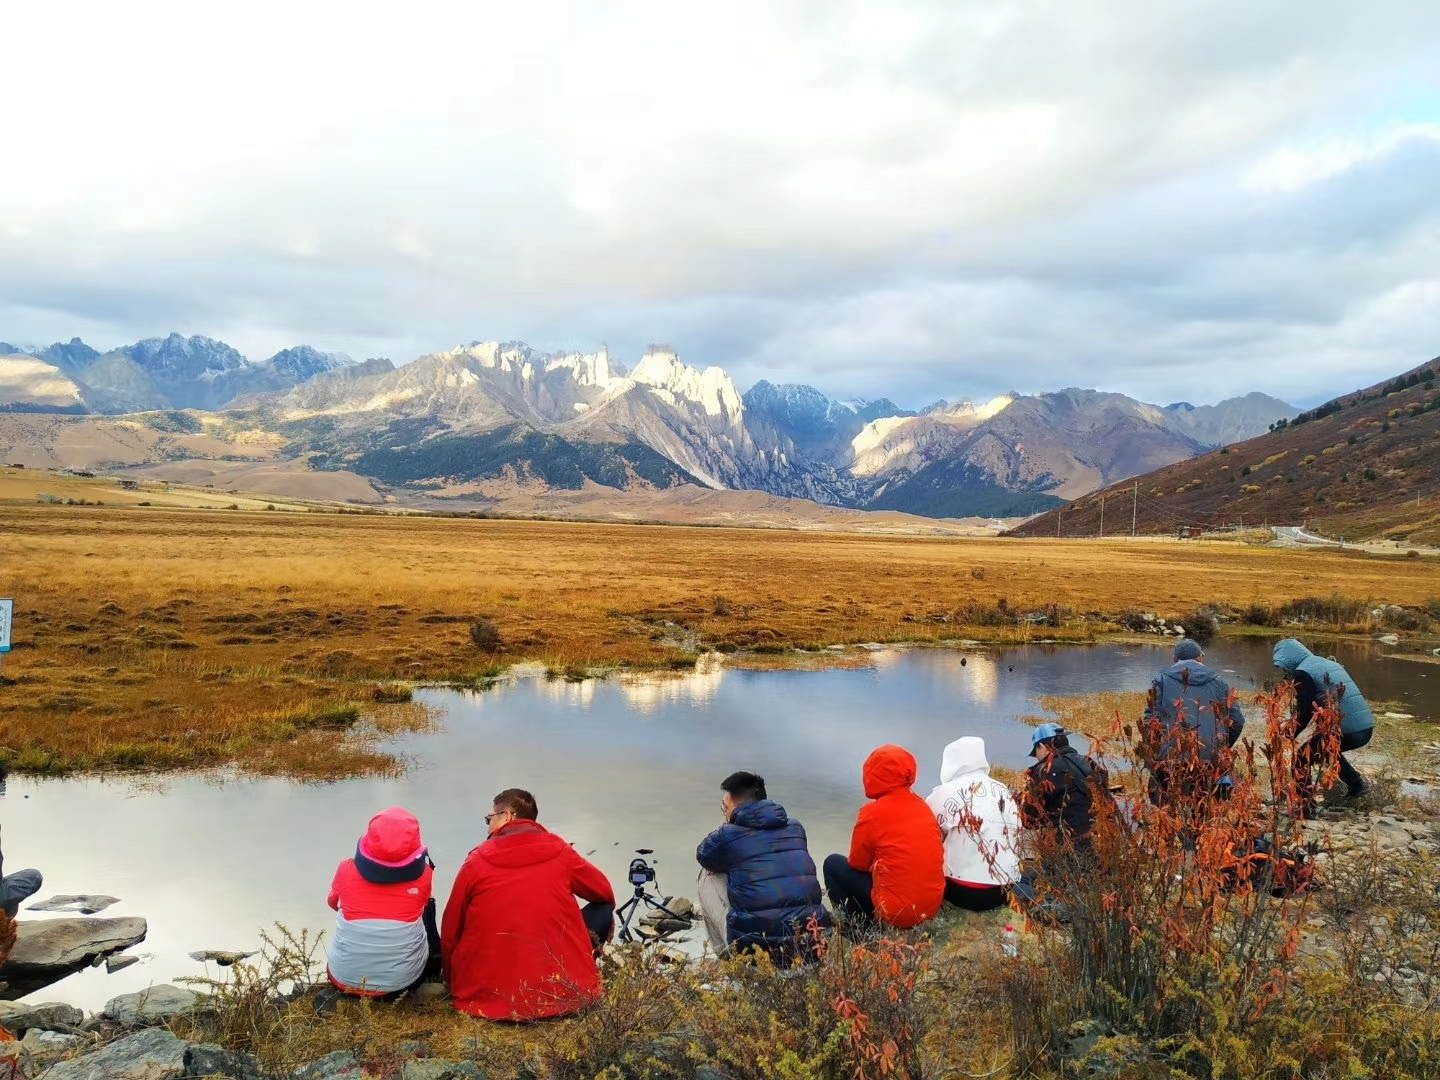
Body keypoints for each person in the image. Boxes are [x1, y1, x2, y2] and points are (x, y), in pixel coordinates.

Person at [442, 788, 616, 1021]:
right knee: (603, 909)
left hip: (486, 996)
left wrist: (451, 977)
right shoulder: (560, 851)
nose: (487, 826)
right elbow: (603, 891)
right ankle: (577, 972)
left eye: (489, 819)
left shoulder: (477, 860)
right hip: (563, 997)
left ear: (507, 816)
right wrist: (608, 920)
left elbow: (452, 923)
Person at [695, 771, 829, 960]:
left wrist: (728, 827)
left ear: (738, 809)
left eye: (725, 807)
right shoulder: (795, 828)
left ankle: (728, 961)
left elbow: (703, 855)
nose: (724, 812)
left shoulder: (728, 834)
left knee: (706, 876)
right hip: (811, 949)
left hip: (756, 954)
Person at [823, 745, 944, 931]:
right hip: (930, 906)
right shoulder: (923, 807)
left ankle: (858, 929)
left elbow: (857, 863)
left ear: (872, 774)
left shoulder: (871, 813)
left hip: (897, 911)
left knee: (832, 864)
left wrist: (876, 864)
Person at [326, 806, 438, 997]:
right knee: (423, 913)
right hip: (402, 983)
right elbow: (423, 905)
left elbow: (333, 903)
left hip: (345, 979)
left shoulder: (345, 869)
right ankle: (434, 971)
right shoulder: (425, 875)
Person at [1273, 638, 1377, 810]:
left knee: (1301, 757)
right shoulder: (1323, 663)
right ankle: (1357, 785)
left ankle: (1305, 807)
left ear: (1288, 659)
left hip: (1348, 729)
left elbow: (1305, 711)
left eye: (1283, 666)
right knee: (1327, 749)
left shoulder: (1303, 672)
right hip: (1365, 727)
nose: (1284, 671)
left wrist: (1289, 733)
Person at [1143, 639, 1246, 803]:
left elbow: (1150, 723)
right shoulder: (1220, 682)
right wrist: (1221, 746)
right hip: (1211, 760)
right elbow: (1237, 721)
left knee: (1165, 804)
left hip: (1171, 759)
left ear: (1175, 659)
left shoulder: (1161, 680)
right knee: (1208, 808)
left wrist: (1156, 752)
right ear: (1200, 658)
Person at [924, 737, 1020, 912]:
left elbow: (925, 833)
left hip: (961, 890)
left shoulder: (944, 793)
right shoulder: (1003, 790)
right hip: (1005, 889)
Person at [1017, 724, 1104, 849]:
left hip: (1068, 847)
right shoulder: (1088, 762)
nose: (1036, 758)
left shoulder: (1045, 770)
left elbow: (1028, 819)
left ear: (1041, 746)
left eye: (1035, 752)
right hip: (1101, 842)